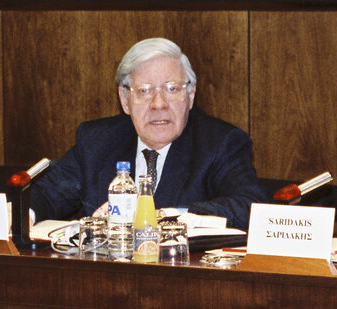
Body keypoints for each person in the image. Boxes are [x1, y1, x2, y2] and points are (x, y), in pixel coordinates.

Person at [31, 38, 267, 229]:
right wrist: (24, 215)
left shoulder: (221, 143)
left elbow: (249, 207)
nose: (158, 104)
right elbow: (47, 194)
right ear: (125, 99)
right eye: (144, 91)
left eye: (172, 89)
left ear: (191, 95)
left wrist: (168, 215)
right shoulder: (97, 140)